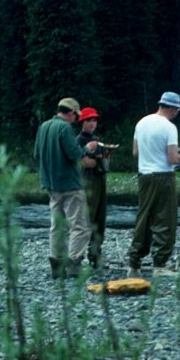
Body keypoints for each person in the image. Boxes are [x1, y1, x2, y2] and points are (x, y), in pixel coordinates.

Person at [129, 91, 180, 277]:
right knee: (165, 219)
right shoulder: (169, 127)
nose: (177, 113)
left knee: (144, 217)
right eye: (177, 109)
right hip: (164, 178)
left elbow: (136, 151)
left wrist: (173, 151)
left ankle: (134, 262)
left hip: (144, 177)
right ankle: (160, 264)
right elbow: (174, 159)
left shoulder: (142, 122)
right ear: (173, 108)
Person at [34, 97, 99, 279]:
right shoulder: (64, 128)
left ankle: (56, 263)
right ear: (70, 113)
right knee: (80, 226)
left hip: (50, 184)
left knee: (57, 225)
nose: (76, 119)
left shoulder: (44, 126)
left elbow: (36, 153)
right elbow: (74, 153)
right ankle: (73, 264)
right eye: (76, 116)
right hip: (70, 184)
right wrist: (87, 148)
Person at [76, 107, 109, 269]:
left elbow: (102, 160)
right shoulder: (79, 140)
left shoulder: (97, 139)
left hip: (100, 180)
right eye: (89, 120)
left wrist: (101, 158)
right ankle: (79, 256)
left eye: (95, 120)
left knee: (100, 218)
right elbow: (84, 162)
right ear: (82, 122)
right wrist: (98, 159)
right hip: (87, 181)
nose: (92, 123)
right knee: (87, 218)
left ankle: (96, 255)